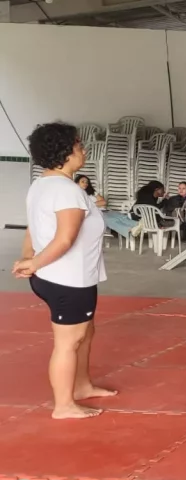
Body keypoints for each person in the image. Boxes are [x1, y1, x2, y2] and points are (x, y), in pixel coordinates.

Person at [14, 123, 114, 419]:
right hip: (67, 279)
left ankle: (81, 386)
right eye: (79, 145)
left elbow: (33, 227)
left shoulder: (42, 184)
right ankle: (64, 405)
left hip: (63, 275)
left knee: (86, 332)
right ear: (65, 152)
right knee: (69, 342)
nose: (83, 150)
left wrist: (28, 256)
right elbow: (64, 239)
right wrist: (33, 263)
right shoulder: (67, 191)